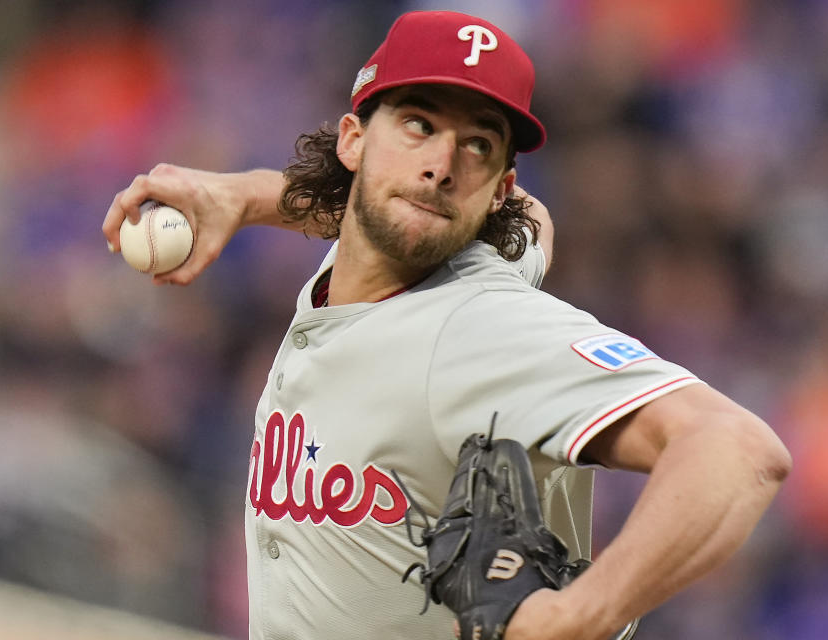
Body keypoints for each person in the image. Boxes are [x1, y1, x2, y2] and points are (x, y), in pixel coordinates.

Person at [102, 10, 790, 640]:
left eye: (480, 147)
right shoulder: (473, 247)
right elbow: (392, 214)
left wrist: (581, 613)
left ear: (501, 190)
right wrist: (242, 195)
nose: (440, 166)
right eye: (419, 125)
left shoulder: (483, 328)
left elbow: (736, 448)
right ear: (352, 139)